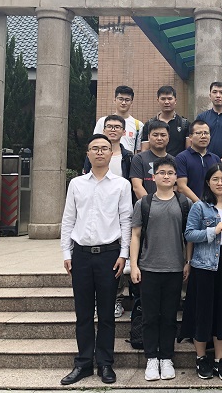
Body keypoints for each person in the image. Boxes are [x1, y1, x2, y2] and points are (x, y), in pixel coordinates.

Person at [60, 134, 132, 386]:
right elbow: (68, 219)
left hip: (109, 255)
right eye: (95, 148)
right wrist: (66, 253)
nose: (100, 152)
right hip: (80, 255)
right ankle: (82, 363)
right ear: (88, 154)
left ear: (111, 153)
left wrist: (124, 254)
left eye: (104, 148)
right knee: (83, 313)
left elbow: (126, 221)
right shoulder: (76, 184)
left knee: (107, 313)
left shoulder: (122, 185)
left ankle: (105, 363)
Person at [129, 156, 193, 382]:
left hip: (174, 268)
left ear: (176, 177)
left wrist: (188, 262)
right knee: (149, 316)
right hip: (148, 268)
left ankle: (166, 357)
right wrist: (134, 265)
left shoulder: (184, 203)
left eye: (170, 173)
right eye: (162, 173)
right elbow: (135, 235)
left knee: (169, 316)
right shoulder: (144, 203)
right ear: (153, 177)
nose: (166, 176)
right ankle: (151, 358)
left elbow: (188, 236)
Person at [181, 164, 222, 382]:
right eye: (215, 179)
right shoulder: (200, 207)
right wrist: (213, 230)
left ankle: (220, 360)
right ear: (208, 183)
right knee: (202, 312)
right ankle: (201, 357)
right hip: (204, 265)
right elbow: (189, 234)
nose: (220, 183)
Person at [84, 114, 134, 319]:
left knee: (119, 258)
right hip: (96, 212)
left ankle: (117, 299)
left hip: (119, 210)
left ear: (123, 131)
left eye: (117, 127)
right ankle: (98, 302)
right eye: (109, 126)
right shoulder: (93, 154)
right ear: (103, 130)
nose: (113, 130)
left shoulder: (128, 156)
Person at [175, 120, 221, 203]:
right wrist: (200, 204)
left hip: (213, 205)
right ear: (190, 137)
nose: (203, 136)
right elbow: (181, 186)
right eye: (199, 133)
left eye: (206, 133)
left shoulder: (216, 159)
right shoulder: (182, 158)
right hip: (190, 206)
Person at [141, 86, 190, 157]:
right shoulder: (149, 124)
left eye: (170, 99)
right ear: (158, 100)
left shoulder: (184, 124)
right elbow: (144, 150)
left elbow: (188, 151)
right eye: (163, 99)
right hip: (155, 163)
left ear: (175, 100)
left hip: (177, 163)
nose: (166, 102)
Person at [94, 85, 142, 154]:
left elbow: (139, 151)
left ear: (131, 102)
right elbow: (95, 143)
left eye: (127, 100)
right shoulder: (103, 121)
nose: (123, 103)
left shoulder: (138, 125)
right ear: (114, 100)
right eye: (120, 99)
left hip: (127, 160)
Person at [130, 120, 170, 200]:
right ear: (148, 137)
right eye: (155, 135)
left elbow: (175, 186)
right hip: (145, 205)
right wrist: (152, 205)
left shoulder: (173, 160)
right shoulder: (139, 158)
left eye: (163, 135)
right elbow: (137, 187)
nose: (159, 138)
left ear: (168, 137)